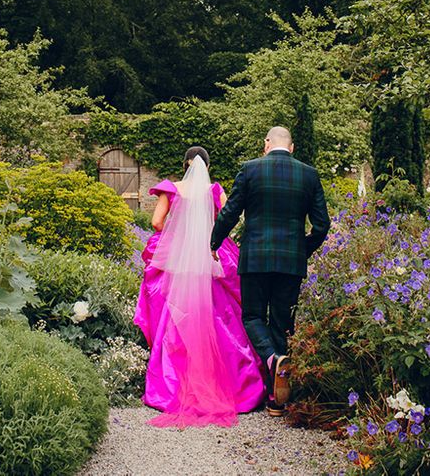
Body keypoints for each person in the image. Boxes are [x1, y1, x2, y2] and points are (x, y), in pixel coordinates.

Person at [134, 146, 264, 427]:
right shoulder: (215, 190)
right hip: (210, 260)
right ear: (208, 166)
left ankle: (174, 387)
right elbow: (230, 219)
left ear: (185, 166)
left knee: (174, 316)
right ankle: (231, 386)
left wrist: (177, 233)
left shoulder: (172, 189)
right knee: (223, 319)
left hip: (178, 261)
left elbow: (156, 222)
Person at [210, 126, 330, 417]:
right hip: (291, 262)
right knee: (282, 323)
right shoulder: (309, 174)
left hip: (256, 259)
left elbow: (231, 211)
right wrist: (303, 249)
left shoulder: (250, 170)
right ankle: (279, 400)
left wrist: (214, 240)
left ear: (266, 143)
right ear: (292, 147)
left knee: (252, 316)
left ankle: (274, 359)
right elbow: (322, 225)